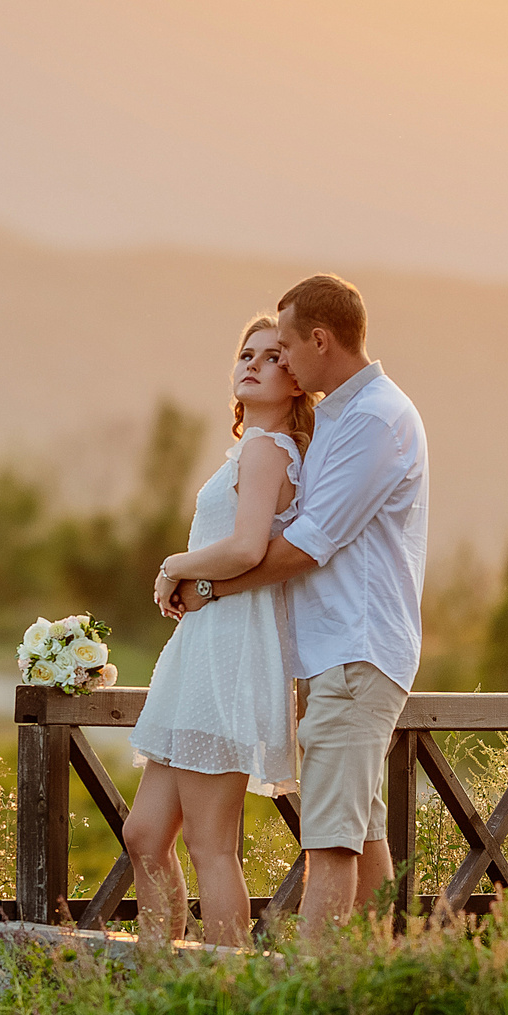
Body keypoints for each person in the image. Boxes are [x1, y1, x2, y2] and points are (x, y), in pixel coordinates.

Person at [161, 274, 428, 943]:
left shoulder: (376, 419)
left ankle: (309, 999)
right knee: (360, 833)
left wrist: (210, 586)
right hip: (331, 657)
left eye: (284, 347)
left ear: (320, 339)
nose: (279, 359)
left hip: (356, 651)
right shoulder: (340, 413)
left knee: (330, 841)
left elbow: (308, 545)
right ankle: (371, 984)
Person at [119, 314, 315, 948]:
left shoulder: (267, 450)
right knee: (146, 835)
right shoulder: (250, 449)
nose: (252, 363)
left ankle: (222, 991)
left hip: (230, 653)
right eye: (245, 353)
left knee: (209, 842)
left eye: (271, 356)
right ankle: (161, 972)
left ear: (296, 380)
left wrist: (177, 565)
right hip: (203, 647)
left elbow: (245, 548)